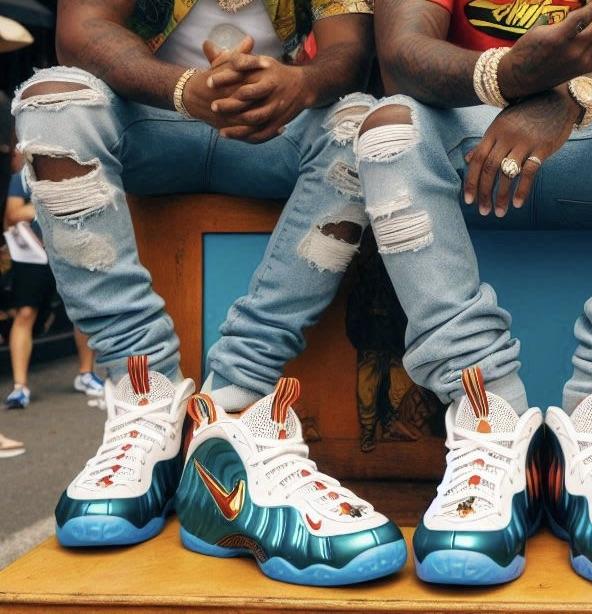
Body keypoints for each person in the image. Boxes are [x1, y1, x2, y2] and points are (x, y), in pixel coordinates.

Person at [13, 0, 405, 585]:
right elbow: (80, 31)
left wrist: (298, 84)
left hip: (278, 126)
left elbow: (348, 48)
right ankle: (145, 394)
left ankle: (231, 403)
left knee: (362, 123)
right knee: (52, 98)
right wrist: (183, 89)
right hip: (149, 121)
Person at [360, 0, 592, 586]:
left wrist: (571, 99)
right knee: (388, 128)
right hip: (474, 134)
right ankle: (488, 417)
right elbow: (400, 57)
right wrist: (508, 77)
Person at [4, 153, 104, 410]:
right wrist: (53, 202)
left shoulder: (73, 169)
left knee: (82, 313)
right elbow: (13, 213)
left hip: (70, 250)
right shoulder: (22, 177)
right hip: (33, 255)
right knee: (25, 313)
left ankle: (86, 374)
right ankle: (20, 387)